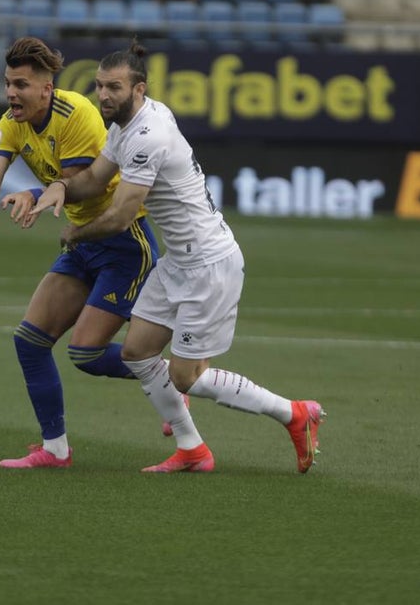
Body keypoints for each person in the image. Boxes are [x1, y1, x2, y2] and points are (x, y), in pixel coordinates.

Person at [27, 40, 325, 474]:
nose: (104, 96)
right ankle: (192, 450)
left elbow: (123, 214)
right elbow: (93, 178)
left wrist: (76, 233)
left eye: (114, 87)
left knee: (188, 376)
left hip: (209, 263)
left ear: (139, 89)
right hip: (178, 264)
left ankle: (294, 413)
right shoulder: (127, 124)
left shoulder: (148, 136)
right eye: (99, 86)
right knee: (137, 353)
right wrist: (57, 187)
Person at [0, 36, 161, 469]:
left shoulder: (77, 116)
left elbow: (76, 185)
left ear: (47, 89)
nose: (11, 93)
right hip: (81, 240)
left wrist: (34, 192)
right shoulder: (12, 121)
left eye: (21, 85)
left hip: (123, 241)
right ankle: (55, 449)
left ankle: (171, 380)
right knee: (30, 341)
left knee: (86, 354)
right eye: (8, 84)